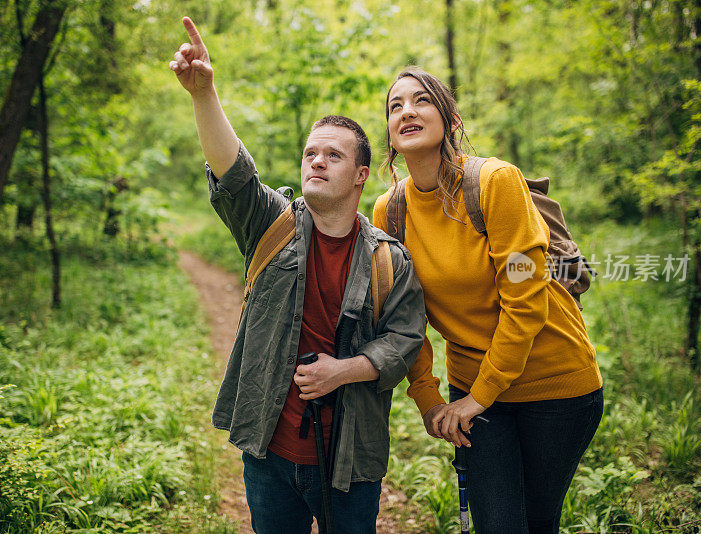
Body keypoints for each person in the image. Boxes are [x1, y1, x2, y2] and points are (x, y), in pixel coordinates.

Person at [169, 18, 425, 534]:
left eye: (334, 155)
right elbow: (234, 172)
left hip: (351, 463)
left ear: (361, 176)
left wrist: (344, 370)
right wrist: (204, 94)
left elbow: (406, 339)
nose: (317, 161)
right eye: (311, 153)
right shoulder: (273, 226)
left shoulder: (388, 260)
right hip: (269, 452)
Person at [372, 67, 604, 534]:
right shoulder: (389, 211)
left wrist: (480, 396)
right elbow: (403, 318)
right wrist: (428, 399)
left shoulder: (496, 182)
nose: (407, 111)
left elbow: (526, 299)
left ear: (451, 121)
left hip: (557, 384)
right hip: (474, 392)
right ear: (391, 136)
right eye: (396, 106)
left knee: (538, 523)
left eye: (421, 101)